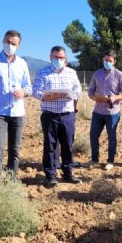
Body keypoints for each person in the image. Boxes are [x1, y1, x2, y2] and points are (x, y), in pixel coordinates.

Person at [0, 30, 32, 179]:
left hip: (17, 114)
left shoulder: (22, 63)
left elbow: (28, 87)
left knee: (15, 151)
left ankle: (11, 181)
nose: (9, 45)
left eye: (13, 43)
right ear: (2, 41)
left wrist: (23, 92)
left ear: (18, 45)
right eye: (7, 42)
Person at [32, 46, 82, 187]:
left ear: (65, 58)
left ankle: (68, 173)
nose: (58, 60)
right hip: (49, 115)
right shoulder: (42, 72)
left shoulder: (72, 73)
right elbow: (35, 91)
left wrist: (70, 94)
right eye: (55, 57)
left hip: (67, 114)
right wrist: (48, 97)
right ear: (50, 57)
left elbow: (77, 90)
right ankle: (51, 176)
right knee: (50, 146)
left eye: (61, 58)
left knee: (68, 144)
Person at [88, 50, 122, 170]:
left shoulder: (120, 75)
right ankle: (94, 160)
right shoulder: (97, 74)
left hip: (112, 113)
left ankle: (110, 161)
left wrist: (115, 97)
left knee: (111, 137)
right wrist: (95, 97)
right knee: (93, 135)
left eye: (110, 61)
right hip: (98, 111)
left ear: (114, 62)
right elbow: (90, 91)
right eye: (105, 60)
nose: (107, 62)